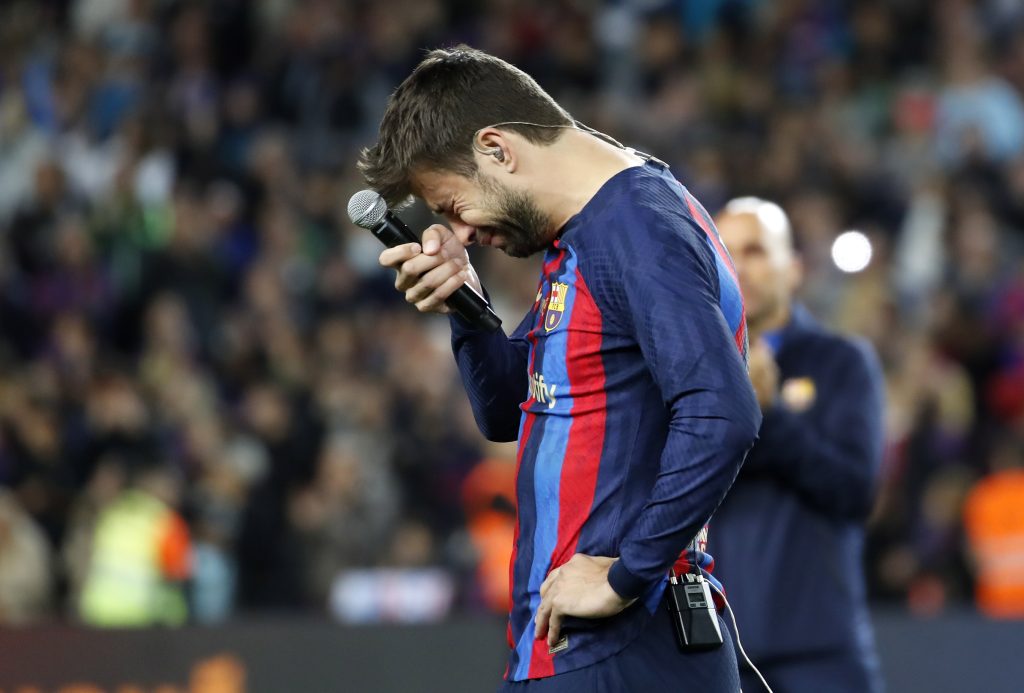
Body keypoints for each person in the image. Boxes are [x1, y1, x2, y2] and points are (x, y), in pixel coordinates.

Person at [359, 46, 760, 690]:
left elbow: (722, 411)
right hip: (579, 651)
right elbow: (508, 410)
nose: (460, 232)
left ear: (497, 149)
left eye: (453, 205)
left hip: (622, 649)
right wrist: (467, 306)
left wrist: (627, 574)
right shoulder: (594, 230)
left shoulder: (635, 226)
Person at [711, 198, 885, 693]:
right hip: (719, 651)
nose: (739, 267)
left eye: (755, 251)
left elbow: (855, 491)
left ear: (793, 268)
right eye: (724, 253)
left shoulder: (841, 361)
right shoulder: (688, 371)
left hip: (819, 649)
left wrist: (770, 412)